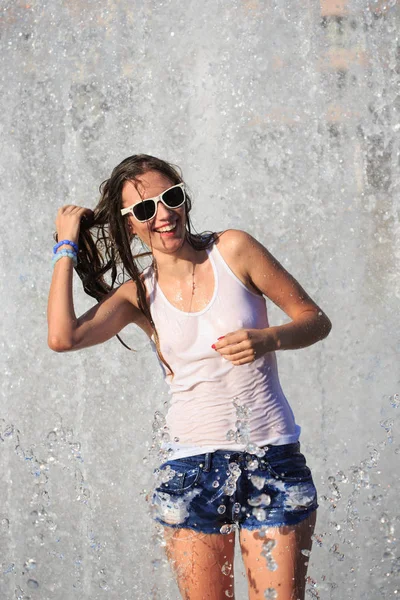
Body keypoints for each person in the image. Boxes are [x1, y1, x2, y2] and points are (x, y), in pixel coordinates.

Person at [47, 154, 332, 600]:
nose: (163, 215)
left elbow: (315, 320)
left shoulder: (234, 250)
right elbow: (63, 337)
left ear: (184, 196)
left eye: (171, 198)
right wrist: (66, 245)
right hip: (189, 472)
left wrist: (269, 338)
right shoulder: (138, 294)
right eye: (144, 210)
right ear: (130, 226)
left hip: (271, 458)